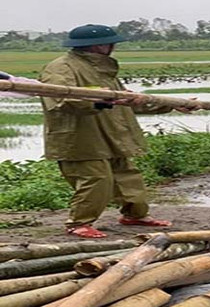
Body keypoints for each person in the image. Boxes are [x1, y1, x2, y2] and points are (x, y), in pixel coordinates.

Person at [40, 24, 198, 238]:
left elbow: (127, 101)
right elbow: (60, 101)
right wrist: (100, 99)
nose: (113, 47)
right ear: (98, 45)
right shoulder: (61, 68)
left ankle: (135, 215)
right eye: (110, 43)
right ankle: (79, 223)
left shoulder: (103, 70)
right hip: (80, 137)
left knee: (128, 177)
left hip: (113, 133)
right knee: (96, 179)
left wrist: (171, 105)